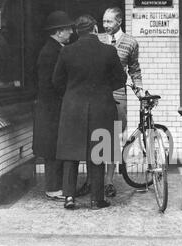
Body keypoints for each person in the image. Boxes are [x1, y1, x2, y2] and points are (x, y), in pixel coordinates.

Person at [52, 14, 127, 210]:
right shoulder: (109, 51)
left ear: (77, 31)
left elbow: (57, 82)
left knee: (71, 153)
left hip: (72, 108)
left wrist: (71, 94)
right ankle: (96, 199)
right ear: (95, 29)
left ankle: (69, 197)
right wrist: (103, 88)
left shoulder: (67, 52)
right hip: (101, 107)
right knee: (99, 153)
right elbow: (120, 79)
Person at [76, 7, 144, 198]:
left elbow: (135, 69)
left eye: (109, 22)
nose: (105, 25)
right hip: (97, 94)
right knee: (95, 137)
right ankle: (91, 181)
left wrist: (139, 89)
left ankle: (108, 182)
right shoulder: (98, 39)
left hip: (118, 94)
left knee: (113, 138)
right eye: (103, 22)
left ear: (119, 21)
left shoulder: (131, 42)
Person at [32, 11, 74, 201]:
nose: (71, 32)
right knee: (53, 150)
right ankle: (53, 188)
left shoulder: (51, 49)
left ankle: (56, 186)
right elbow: (53, 83)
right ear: (58, 32)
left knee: (54, 148)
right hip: (52, 109)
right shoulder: (53, 52)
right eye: (68, 29)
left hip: (50, 108)